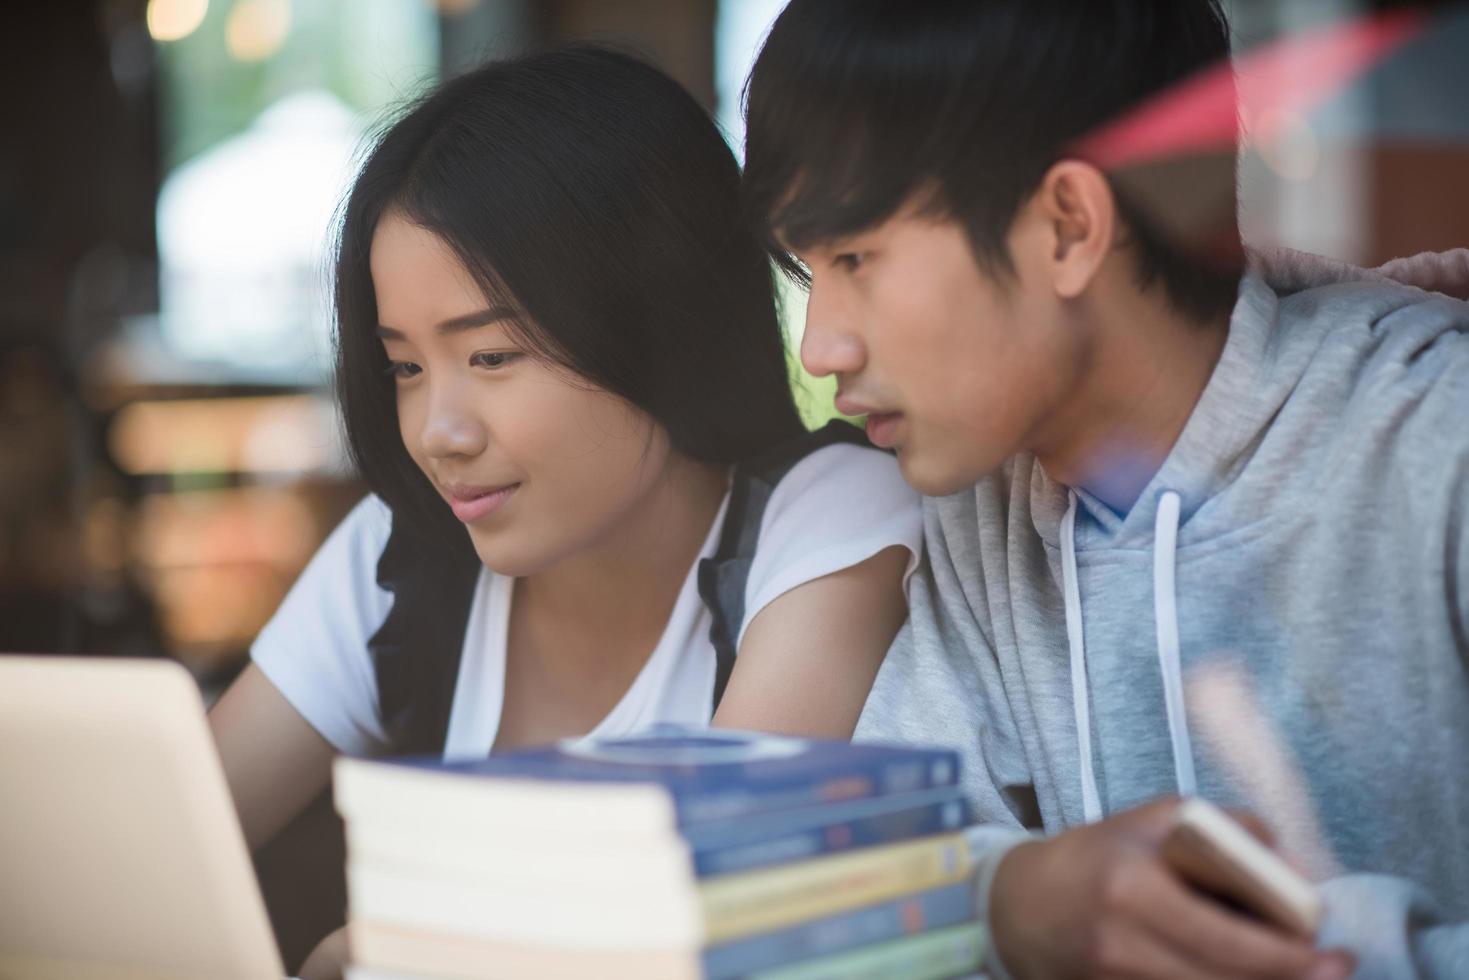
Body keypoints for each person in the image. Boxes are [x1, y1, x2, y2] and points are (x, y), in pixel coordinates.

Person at [742, 1, 1468, 978]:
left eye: (854, 259)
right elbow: (866, 872)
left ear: (1068, 225)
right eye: (807, 273)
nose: (819, 346)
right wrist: (1014, 901)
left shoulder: (1437, 449)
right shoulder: (982, 509)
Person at [209, 46, 920, 978]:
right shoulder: (401, 551)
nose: (438, 432)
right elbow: (146, 853)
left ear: (657, 322)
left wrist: (414, 945)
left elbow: (706, 890)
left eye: (492, 357)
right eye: (405, 368)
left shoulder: (826, 518)